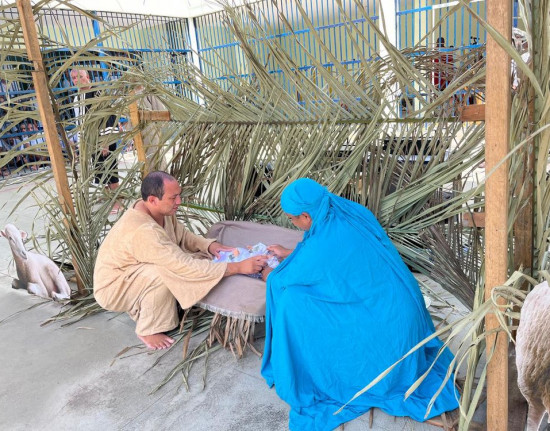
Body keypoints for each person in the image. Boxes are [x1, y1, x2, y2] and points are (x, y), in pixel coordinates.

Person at [260, 178, 459, 430]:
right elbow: (331, 259)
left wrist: (265, 271)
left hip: (389, 327)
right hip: (401, 307)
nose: (293, 224)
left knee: (291, 302)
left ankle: (316, 368)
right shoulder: (347, 210)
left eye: (292, 219)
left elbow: (285, 278)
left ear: (306, 217)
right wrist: (289, 253)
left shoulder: (324, 243)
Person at [94, 171, 268, 350]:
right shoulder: (143, 231)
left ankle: (148, 303)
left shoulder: (156, 209)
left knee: (198, 258)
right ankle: (148, 329)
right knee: (167, 271)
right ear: (153, 199)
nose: (179, 202)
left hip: (132, 274)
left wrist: (210, 247)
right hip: (113, 288)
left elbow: (182, 235)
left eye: (179, 195)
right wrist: (238, 267)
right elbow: (182, 266)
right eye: (173, 197)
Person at [70, 69, 120, 197]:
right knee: (100, 171)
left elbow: (108, 117)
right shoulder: (77, 98)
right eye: (74, 78)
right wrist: (81, 144)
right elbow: (80, 123)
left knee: (111, 170)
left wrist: (105, 141)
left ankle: (117, 200)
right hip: (91, 141)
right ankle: (108, 197)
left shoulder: (98, 93)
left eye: (80, 76)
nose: (77, 80)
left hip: (104, 138)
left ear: (87, 77)